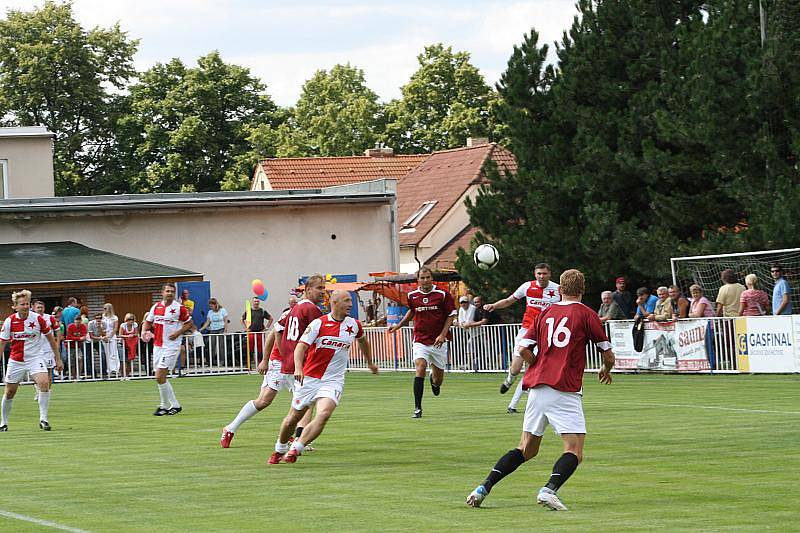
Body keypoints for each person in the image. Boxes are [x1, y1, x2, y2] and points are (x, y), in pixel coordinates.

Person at [466, 269, 615, 511]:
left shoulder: (545, 312)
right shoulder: (587, 314)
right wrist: (606, 369)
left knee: (526, 448)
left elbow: (524, 349)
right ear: (583, 289)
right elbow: (607, 354)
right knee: (574, 450)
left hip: (536, 387)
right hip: (564, 388)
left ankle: (483, 488)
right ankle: (548, 490)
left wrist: (539, 363)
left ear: (560, 290)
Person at [268, 290, 378, 464]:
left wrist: (370, 362)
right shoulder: (318, 324)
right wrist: (298, 368)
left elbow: (363, 341)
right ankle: (279, 448)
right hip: (310, 378)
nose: (350, 304)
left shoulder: (354, 325)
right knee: (293, 418)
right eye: (346, 300)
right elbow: (300, 348)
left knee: (324, 414)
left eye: (350, 301)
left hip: (333, 380)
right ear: (334, 302)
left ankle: (296, 448)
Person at [388, 267, 457, 418]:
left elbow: (451, 315)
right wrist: (399, 325)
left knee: (438, 380)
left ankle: (434, 380)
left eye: (428, 277)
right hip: (420, 339)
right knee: (420, 367)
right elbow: (412, 311)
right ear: (417, 280)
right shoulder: (412, 296)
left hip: (438, 341)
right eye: (422, 278)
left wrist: (443, 334)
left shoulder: (442, 294)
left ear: (432, 278)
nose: (425, 280)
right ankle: (417, 408)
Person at [483, 263, 560, 396]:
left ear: (550, 274)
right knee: (516, 368)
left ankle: (534, 386)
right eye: (539, 274)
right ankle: (509, 379)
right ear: (535, 274)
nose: (541, 276)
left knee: (536, 364)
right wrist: (494, 305)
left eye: (544, 274)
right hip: (527, 330)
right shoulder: (527, 286)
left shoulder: (558, 289)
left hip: (546, 332)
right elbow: (508, 301)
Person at [220, 310, 293, 448]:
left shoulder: (315, 314)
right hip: (279, 363)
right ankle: (230, 428)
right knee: (264, 401)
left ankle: (295, 437)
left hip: (297, 363)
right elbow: (272, 334)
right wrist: (264, 361)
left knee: (304, 401)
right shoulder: (290, 314)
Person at [271, 275, 327, 442]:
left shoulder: (294, 308)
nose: (323, 292)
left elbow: (277, 329)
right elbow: (318, 338)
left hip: (290, 362)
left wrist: (284, 352)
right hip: (302, 364)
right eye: (319, 288)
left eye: (324, 288)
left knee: (302, 402)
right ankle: (297, 439)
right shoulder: (311, 310)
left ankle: (293, 438)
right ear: (308, 290)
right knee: (305, 403)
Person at [0, 290, 63, 431]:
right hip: (16, 360)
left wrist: (57, 358)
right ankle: (3, 423)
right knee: (10, 392)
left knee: (44, 382)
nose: (25, 306)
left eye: (27, 303)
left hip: (35, 358)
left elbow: (51, 339)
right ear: (15, 306)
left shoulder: (38, 319)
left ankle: (44, 419)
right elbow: (2, 343)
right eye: (22, 304)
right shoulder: (10, 321)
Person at [141, 283, 194, 416]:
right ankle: (170, 405)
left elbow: (190, 323)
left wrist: (178, 333)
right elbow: (148, 321)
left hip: (171, 346)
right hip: (158, 345)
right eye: (167, 291)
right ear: (162, 293)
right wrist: (143, 331)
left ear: (174, 294)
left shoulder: (179, 308)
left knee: (160, 375)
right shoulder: (156, 307)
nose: (169, 293)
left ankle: (166, 405)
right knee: (159, 377)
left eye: (172, 291)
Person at [32, 301, 62, 399]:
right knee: (35, 372)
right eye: (38, 307)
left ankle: (47, 392)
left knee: (49, 371)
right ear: (34, 308)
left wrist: (57, 344)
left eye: (41, 307)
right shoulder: (30, 318)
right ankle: (38, 388)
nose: (40, 309)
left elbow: (58, 331)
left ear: (44, 308)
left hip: (48, 349)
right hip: (35, 350)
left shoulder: (50, 318)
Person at [465, 296, 498, 373]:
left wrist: (470, 325)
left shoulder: (486, 308)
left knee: (496, 349)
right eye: (475, 302)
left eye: (478, 302)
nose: (476, 304)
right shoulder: (477, 310)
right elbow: (475, 321)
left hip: (497, 330)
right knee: (486, 349)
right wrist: (467, 324)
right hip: (487, 333)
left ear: (482, 301)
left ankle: (498, 367)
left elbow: (484, 321)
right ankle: (486, 366)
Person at [242, 297, 272, 362]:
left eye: (257, 301)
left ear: (259, 302)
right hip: (251, 333)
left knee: (260, 349)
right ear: (252, 302)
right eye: (255, 301)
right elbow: (241, 319)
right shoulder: (248, 311)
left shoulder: (262, 311)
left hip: (260, 333)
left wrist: (266, 328)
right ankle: (249, 365)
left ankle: (260, 363)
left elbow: (271, 319)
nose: (256, 303)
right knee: (250, 349)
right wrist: (245, 328)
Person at [65, 314, 88, 378]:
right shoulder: (70, 326)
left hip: (78, 346)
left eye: (79, 322)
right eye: (76, 322)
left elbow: (84, 335)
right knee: (72, 362)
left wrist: (81, 338)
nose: (78, 324)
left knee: (80, 359)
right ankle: (73, 376)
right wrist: (79, 338)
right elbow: (69, 337)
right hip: (70, 346)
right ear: (74, 321)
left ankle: (79, 375)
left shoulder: (83, 326)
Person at [102, 303, 121, 378]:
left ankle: (115, 369)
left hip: (112, 335)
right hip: (105, 335)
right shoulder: (103, 317)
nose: (104, 310)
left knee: (113, 352)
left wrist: (110, 336)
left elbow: (115, 328)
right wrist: (105, 335)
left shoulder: (114, 317)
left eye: (105, 308)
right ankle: (109, 369)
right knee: (107, 352)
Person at [118, 313, 139, 379]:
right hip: (122, 344)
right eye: (129, 319)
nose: (131, 321)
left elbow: (136, 333)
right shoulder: (123, 325)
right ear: (126, 320)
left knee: (129, 360)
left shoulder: (135, 325)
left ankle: (127, 375)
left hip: (131, 344)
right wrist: (128, 336)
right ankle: (122, 375)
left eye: (132, 319)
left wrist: (133, 335)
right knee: (122, 360)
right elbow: (120, 335)